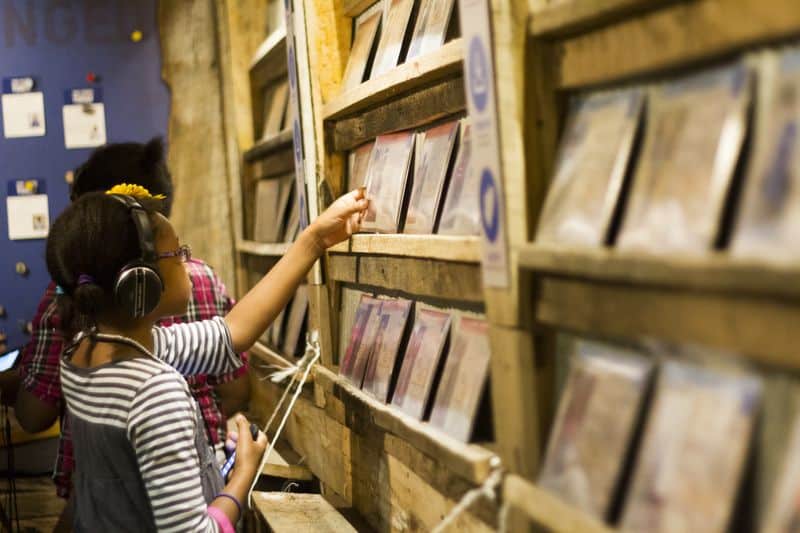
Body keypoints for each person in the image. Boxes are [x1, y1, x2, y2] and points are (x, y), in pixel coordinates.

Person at [47, 184, 366, 530]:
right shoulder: (154, 392)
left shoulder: (84, 352)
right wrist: (242, 475)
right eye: (178, 253)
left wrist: (314, 239)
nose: (187, 261)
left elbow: (231, 334)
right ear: (141, 281)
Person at [4, 138, 250, 508]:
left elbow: (33, 414)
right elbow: (234, 392)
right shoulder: (203, 281)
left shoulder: (70, 301)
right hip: (204, 491)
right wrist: (240, 478)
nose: (186, 261)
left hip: (102, 503)